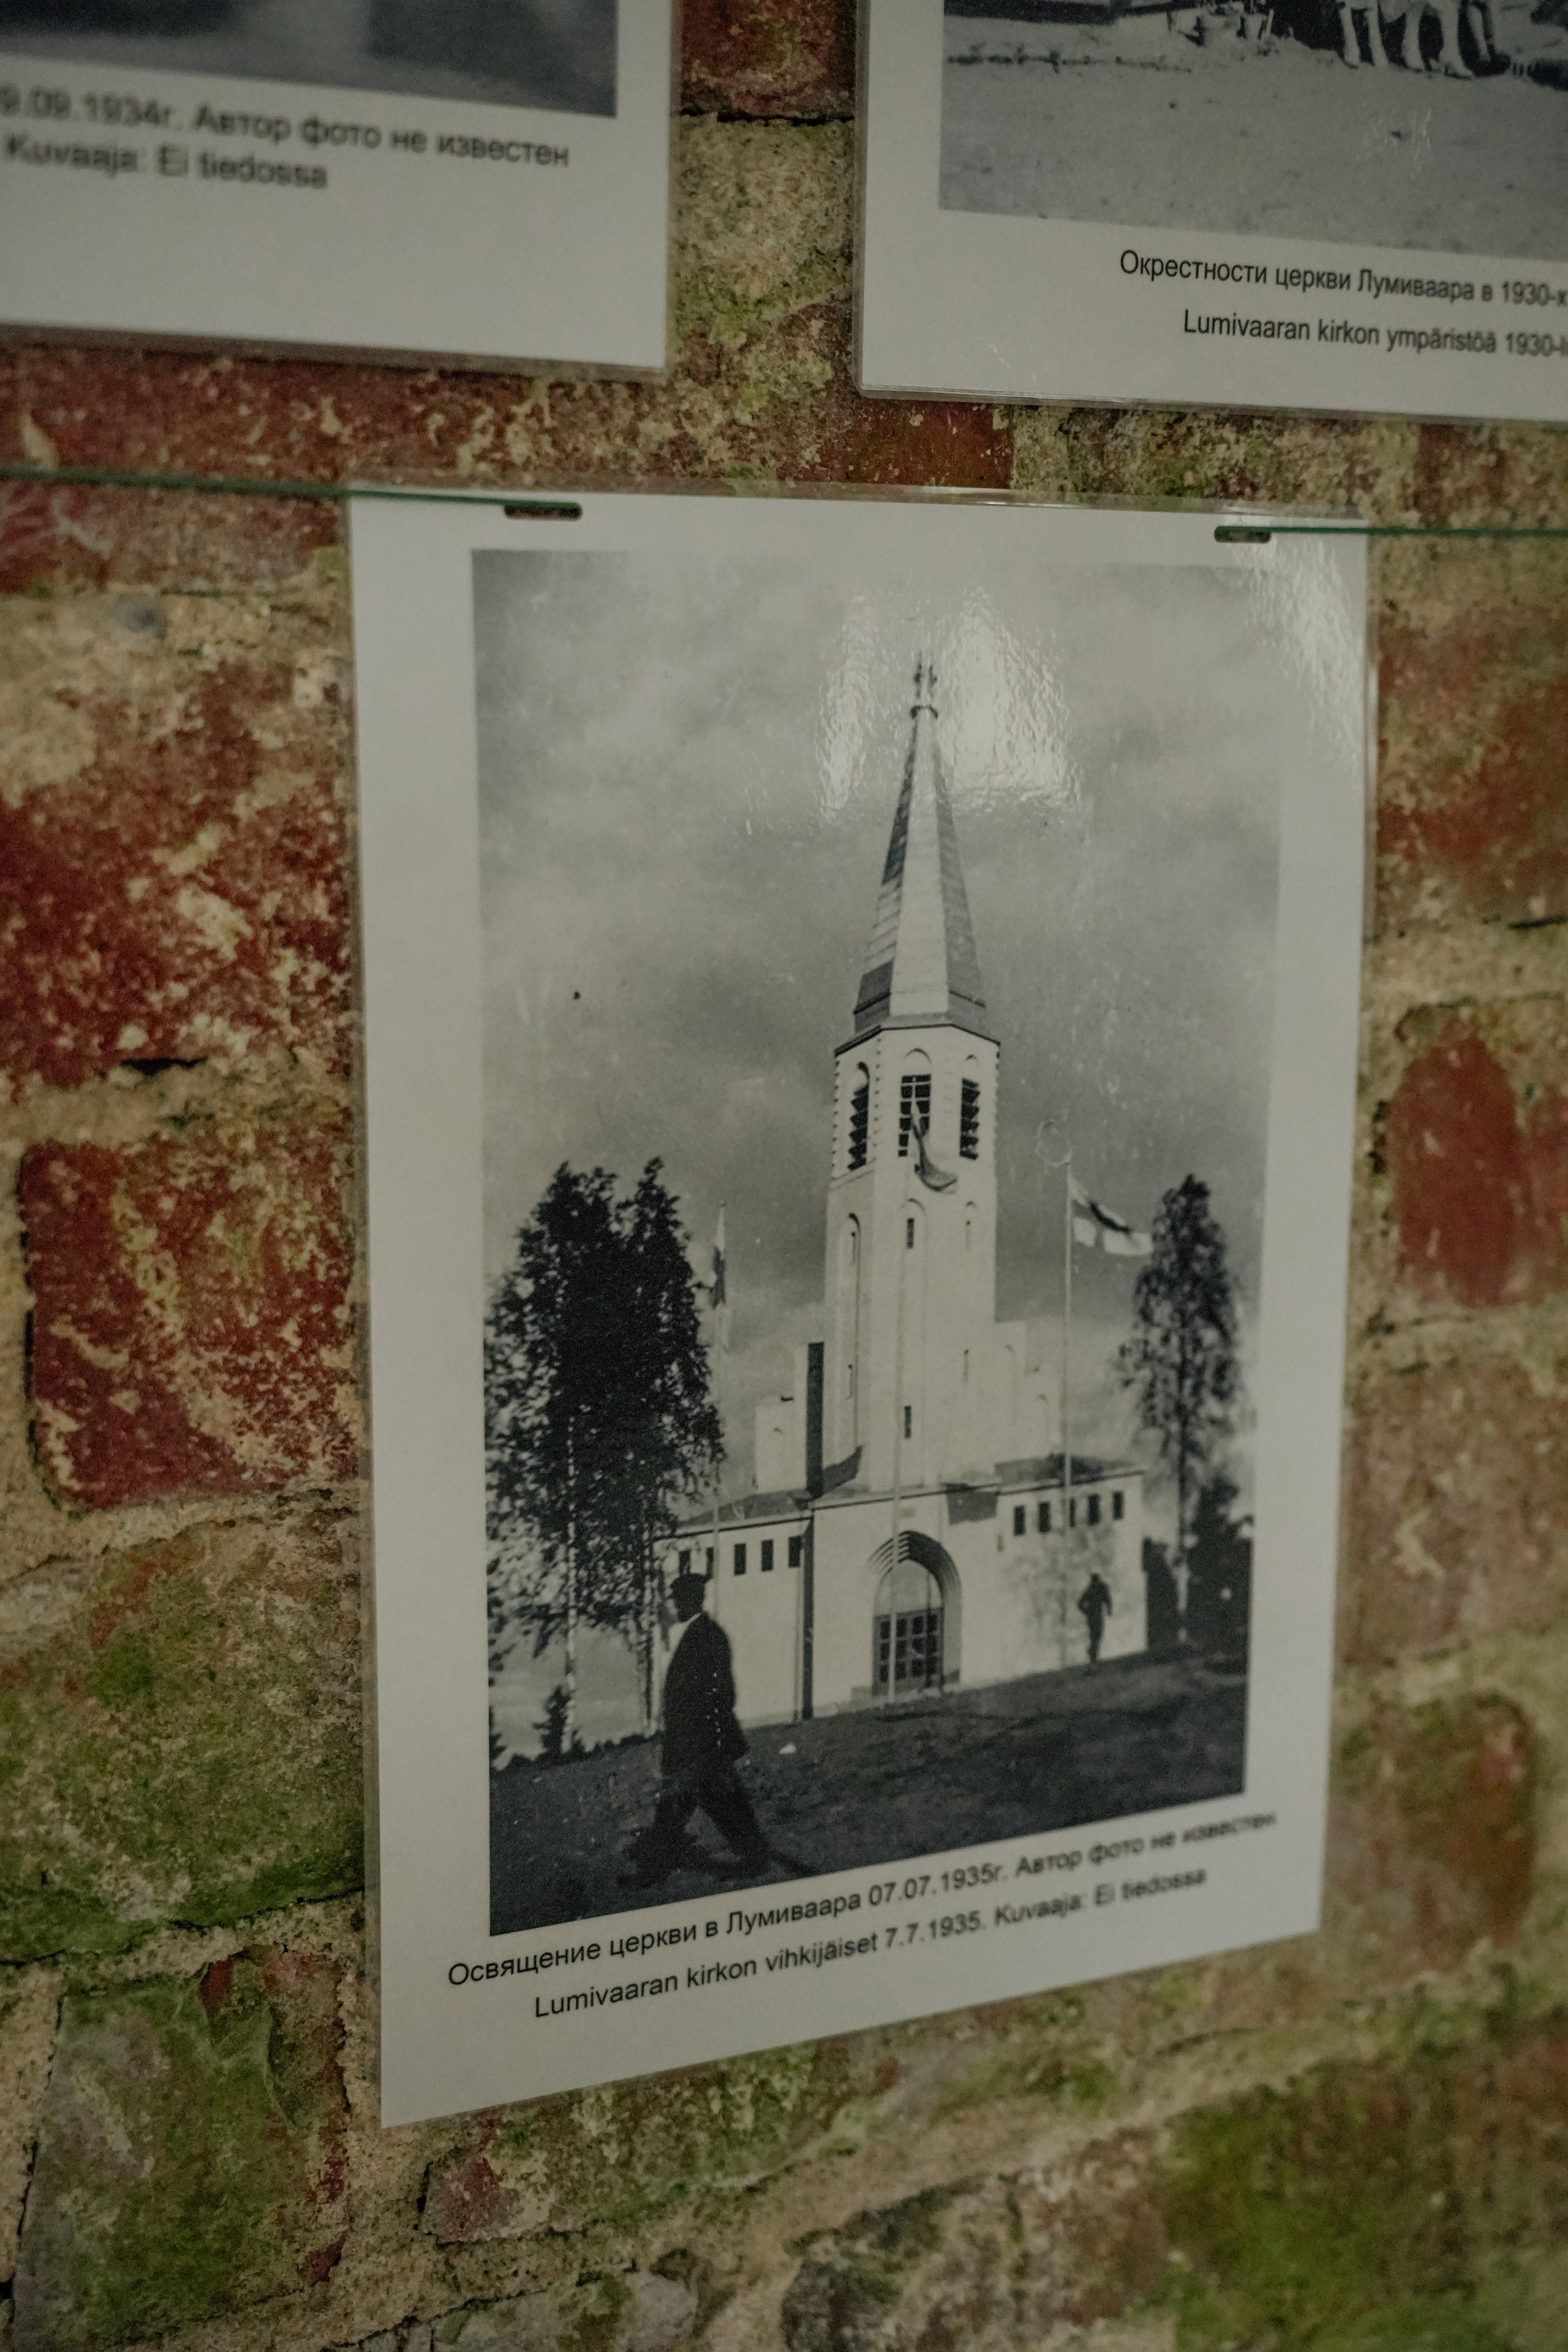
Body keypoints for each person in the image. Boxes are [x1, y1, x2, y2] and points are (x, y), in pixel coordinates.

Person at [624, 1570, 772, 1888]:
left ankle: (653, 1872)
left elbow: (723, 1693)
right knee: (709, 1807)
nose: (675, 1605)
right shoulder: (696, 1635)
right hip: (694, 1746)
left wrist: (706, 1740)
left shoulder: (709, 1636)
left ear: (693, 1600)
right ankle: (656, 1871)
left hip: (702, 1746)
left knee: (691, 1807)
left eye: (679, 1600)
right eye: (675, 1599)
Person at [1077, 1570, 1114, 1668]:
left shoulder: (1091, 1589)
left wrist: (1087, 1611)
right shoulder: (1100, 1588)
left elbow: (1080, 1604)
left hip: (1093, 1616)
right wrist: (1109, 1610)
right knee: (1097, 1635)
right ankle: (1093, 1656)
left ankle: (1093, 1654)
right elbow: (1108, 1600)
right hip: (1096, 1616)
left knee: (1095, 1636)